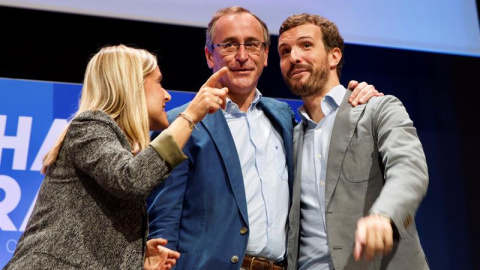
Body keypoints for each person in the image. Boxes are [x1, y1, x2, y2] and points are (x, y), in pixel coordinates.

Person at [147, 6, 380, 270]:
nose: (243, 56)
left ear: (266, 54)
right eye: (229, 45)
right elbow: (163, 222)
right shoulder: (182, 124)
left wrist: (361, 92)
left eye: (253, 45)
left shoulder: (284, 117)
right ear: (210, 56)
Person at [4, 44, 229, 270]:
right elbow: (133, 180)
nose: (167, 95)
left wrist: (134, 257)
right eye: (159, 83)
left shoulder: (112, 142)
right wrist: (189, 115)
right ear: (133, 86)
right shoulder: (90, 125)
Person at [277, 13, 430, 270]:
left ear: (334, 56)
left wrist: (384, 215)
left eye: (305, 45)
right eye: (284, 51)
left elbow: (409, 168)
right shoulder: (289, 138)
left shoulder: (377, 108)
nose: (293, 57)